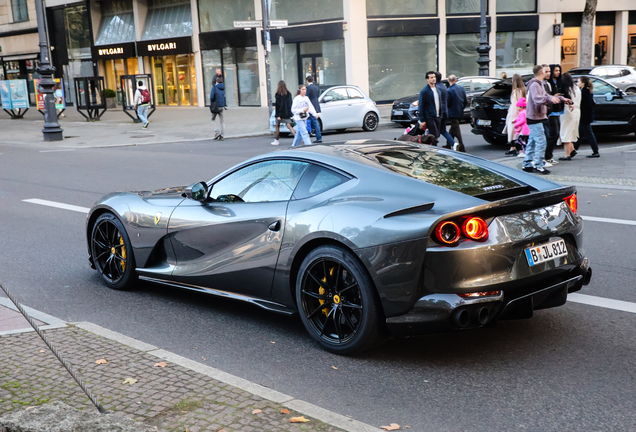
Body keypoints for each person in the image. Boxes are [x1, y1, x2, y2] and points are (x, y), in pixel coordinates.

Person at [523, 65, 570, 174]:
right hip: (535, 117)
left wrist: (561, 99)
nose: (549, 73)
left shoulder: (540, 84)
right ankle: (538, 165)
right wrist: (551, 99)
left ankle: (527, 164)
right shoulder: (535, 84)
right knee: (541, 141)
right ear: (541, 72)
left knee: (533, 141)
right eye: (547, 71)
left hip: (537, 116)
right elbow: (537, 99)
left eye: (549, 71)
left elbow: (547, 96)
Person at [573, 76, 600, 158]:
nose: (577, 83)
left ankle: (595, 151)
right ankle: (573, 150)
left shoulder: (584, 92)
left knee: (588, 133)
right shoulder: (587, 91)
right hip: (587, 115)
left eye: (578, 82)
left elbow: (584, 105)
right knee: (581, 133)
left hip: (584, 116)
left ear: (583, 83)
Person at [544, 64, 565, 165]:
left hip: (558, 110)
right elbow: (545, 97)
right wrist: (553, 97)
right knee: (553, 134)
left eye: (559, 70)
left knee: (556, 134)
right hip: (550, 111)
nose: (558, 72)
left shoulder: (559, 82)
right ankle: (546, 156)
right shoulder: (547, 84)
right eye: (556, 70)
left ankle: (548, 155)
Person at [558, 73, 581, 161]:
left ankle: (567, 154)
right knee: (572, 131)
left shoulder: (567, 90)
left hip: (567, 111)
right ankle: (572, 150)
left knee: (565, 131)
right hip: (577, 111)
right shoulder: (576, 88)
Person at [504, 74, 526, 156]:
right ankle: (518, 148)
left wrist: (512, 116)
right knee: (520, 131)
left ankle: (513, 148)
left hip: (515, 113)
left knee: (512, 130)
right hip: (522, 112)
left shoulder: (515, 91)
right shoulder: (524, 90)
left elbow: (514, 104)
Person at [418, 71, 442, 141]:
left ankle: (431, 146)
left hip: (438, 116)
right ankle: (434, 149)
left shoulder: (438, 89)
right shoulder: (424, 91)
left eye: (434, 77)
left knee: (437, 134)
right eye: (431, 77)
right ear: (427, 79)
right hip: (430, 117)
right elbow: (421, 105)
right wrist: (422, 120)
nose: (433, 79)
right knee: (434, 135)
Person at [447, 74, 467, 152]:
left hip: (452, 112)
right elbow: (465, 100)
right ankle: (448, 144)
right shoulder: (461, 88)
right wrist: (461, 108)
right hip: (459, 111)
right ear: (455, 80)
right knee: (453, 128)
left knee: (456, 129)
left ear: (448, 80)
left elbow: (448, 103)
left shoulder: (449, 90)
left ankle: (461, 145)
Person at [271, 80, 295, 146]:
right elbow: (290, 103)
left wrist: (278, 115)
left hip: (281, 114)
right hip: (287, 113)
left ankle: (277, 140)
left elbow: (279, 105)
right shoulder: (289, 93)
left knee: (277, 126)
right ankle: (296, 138)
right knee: (289, 126)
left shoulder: (278, 94)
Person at [434, 72, 454, 149]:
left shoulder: (436, 87)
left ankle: (431, 146)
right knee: (443, 130)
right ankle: (454, 144)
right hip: (445, 111)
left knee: (433, 130)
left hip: (438, 112)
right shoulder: (444, 86)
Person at [305, 76, 322, 143]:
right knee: (313, 121)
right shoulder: (316, 87)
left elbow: (307, 98)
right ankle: (314, 135)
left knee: (314, 122)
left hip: (311, 106)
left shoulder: (308, 88)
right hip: (316, 105)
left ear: (307, 80)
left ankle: (318, 137)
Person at [210, 76, 226, 140]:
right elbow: (224, 97)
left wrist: (212, 103)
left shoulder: (214, 87)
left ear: (216, 81)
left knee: (212, 119)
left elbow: (211, 97)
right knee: (222, 121)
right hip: (222, 106)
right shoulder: (223, 88)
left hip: (216, 106)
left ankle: (217, 132)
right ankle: (222, 135)